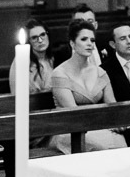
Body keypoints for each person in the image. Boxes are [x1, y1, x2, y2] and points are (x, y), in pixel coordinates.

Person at [49, 19, 125, 153]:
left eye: (92, 40)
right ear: (72, 43)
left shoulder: (100, 72)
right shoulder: (60, 73)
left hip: (98, 127)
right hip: (70, 129)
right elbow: (74, 112)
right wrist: (103, 123)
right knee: (103, 148)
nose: (89, 43)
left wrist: (115, 122)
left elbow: (112, 107)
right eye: (84, 39)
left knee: (121, 144)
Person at [9, 18, 54, 95]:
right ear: (28, 41)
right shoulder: (21, 60)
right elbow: (16, 94)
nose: (40, 40)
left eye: (43, 34)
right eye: (34, 38)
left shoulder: (54, 58)